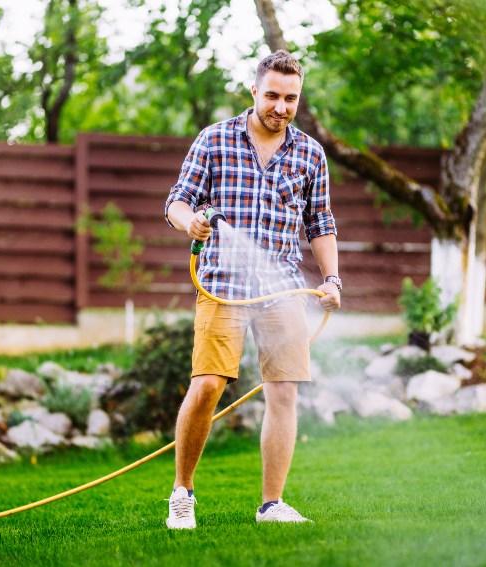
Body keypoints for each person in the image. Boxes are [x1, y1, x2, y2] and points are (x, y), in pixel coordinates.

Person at [163, 49, 341, 529]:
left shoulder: (310, 153)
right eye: (272, 96)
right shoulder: (215, 140)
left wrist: (331, 279)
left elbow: (320, 222)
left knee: (283, 392)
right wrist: (192, 223)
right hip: (222, 285)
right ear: (253, 91)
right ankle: (182, 494)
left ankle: (271, 505)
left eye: (291, 98)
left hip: (283, 289)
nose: (280, 107)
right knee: (208, 386)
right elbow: (177, 202)